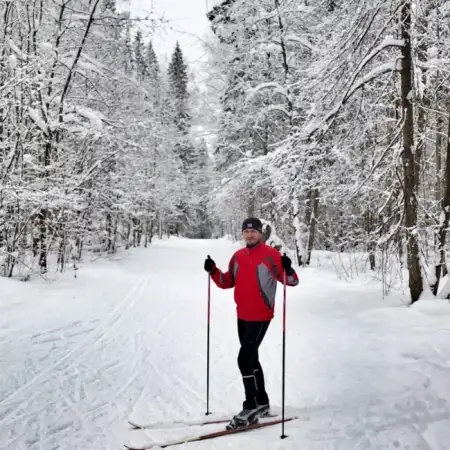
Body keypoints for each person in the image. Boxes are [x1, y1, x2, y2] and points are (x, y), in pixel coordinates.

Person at [204, 217, 299, 428]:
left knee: (244, 358)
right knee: (252, 359)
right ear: (242, 234)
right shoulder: (237, 256)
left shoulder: (271, 255)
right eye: (246, 232)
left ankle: (251, 406)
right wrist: (213, 271)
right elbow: (227, 281)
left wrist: (288, 269)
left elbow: (291, 281)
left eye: (253, 232)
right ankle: (263, 402)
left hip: (261, 315)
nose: (249, 235)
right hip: (242, 315)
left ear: (260, 233)